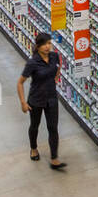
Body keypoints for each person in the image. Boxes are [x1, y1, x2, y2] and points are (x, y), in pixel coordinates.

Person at [17, 32, 66, 170]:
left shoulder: (54, 56)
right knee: (34, 126)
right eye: (44, 44)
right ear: (38, 46)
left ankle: (54, 158)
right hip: (36, 99)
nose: (47, 46)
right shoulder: (32, 63)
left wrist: (55, 78)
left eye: (49, 43)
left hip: (51, 98)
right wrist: (23, 102)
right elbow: (20, 83)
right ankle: (33, 148)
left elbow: (58, 66)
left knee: (53, 128)